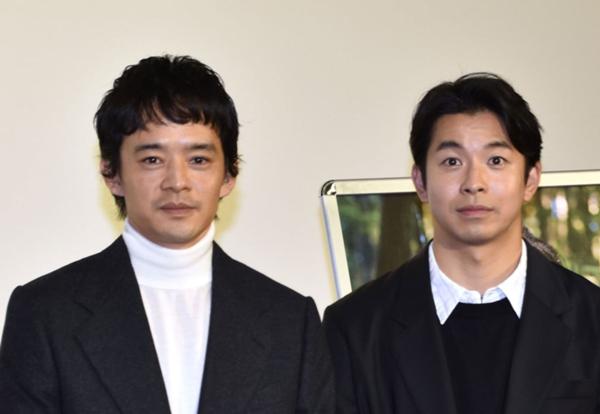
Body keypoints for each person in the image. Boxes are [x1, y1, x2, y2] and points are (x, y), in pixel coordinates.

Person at [0, 55, 333, 414]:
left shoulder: (289, 321)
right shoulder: (45, 314)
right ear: (112, 174)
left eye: (198, 160)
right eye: (152, 160)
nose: (177, 182)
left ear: (229, 175)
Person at [323, 73, 600, 414]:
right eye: (452, 162)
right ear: (420, 182)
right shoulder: (355, 328)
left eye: (496, 161)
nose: (474, 183)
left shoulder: (592, 318)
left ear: (530, 179)